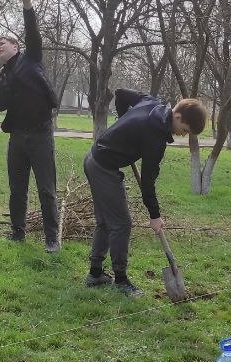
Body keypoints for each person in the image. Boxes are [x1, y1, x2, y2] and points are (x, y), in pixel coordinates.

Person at [83, 88, 207, 296]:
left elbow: (121, 94)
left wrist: (125, 123)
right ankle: (120, 280)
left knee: (106, 221)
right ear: (177, 117)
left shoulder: (152, 102)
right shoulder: (155, 137)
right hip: (102, 167)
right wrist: (154, 215)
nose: (183, 135)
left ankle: (95, 274)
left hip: (95, 159)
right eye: (185, 130)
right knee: (121, 223)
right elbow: (148, 182)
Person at [0, 0, 61, 253]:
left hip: (41, 134)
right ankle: (17, 232)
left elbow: (33, 33)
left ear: (16, 47)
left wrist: (27, 3)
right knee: (17, 189)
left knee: (46, 189)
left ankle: (51, 238)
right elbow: (0, 105)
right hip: (17, 137)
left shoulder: (30, 58)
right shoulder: (3, 74)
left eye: (3, 43)